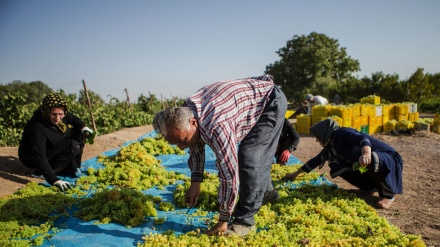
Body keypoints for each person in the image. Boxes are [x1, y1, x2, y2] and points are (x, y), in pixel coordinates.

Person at [152, 74, 287, 236]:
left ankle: (245, 221)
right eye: (176, 144)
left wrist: (223, 219)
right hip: (249, 103)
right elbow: (194, 145)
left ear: (193, 123)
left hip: (270, 102)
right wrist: (195, 182)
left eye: (183, 140)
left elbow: (229, 175)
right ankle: (265, 192)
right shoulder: (184, 113)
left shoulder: (217, 125)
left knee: (249, 156)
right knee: (253, 155)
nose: (181, 148)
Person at [283, 118, 403, 209]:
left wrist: (366, 154)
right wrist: (295, 174)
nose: (316, 140)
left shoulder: (342, 133)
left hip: (387, 159)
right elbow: (315, 161)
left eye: (317, 137)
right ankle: (369, 187)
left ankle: (388, 195)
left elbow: (362, 139)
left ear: (324, 132)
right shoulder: (331, 146)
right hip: (370, 161)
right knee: (336, 166)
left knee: (371, 158)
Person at [18, 93, 95, 192]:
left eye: (60, 114)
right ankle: (41, 171)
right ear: (46, 111)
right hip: (33, 157)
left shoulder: (60, 116)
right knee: (73, 146)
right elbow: (39, 155)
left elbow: (74, 119)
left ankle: (74, 167)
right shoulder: (38, 128)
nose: (58, 118)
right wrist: (54, 180)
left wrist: (84, 127)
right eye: (54, 114)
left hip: (51, 146)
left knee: (80, 132)